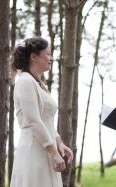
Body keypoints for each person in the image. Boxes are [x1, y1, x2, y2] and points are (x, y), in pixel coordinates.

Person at [10, 37, 73, 187]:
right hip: (34, 150)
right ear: (34, 56)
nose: (51, 58)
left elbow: (47, 120)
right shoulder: (25, 81)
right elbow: (33, 121)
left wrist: (60, 144)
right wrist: (53, 153)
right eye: (48, 54)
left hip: (46, 148)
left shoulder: (39, 84)